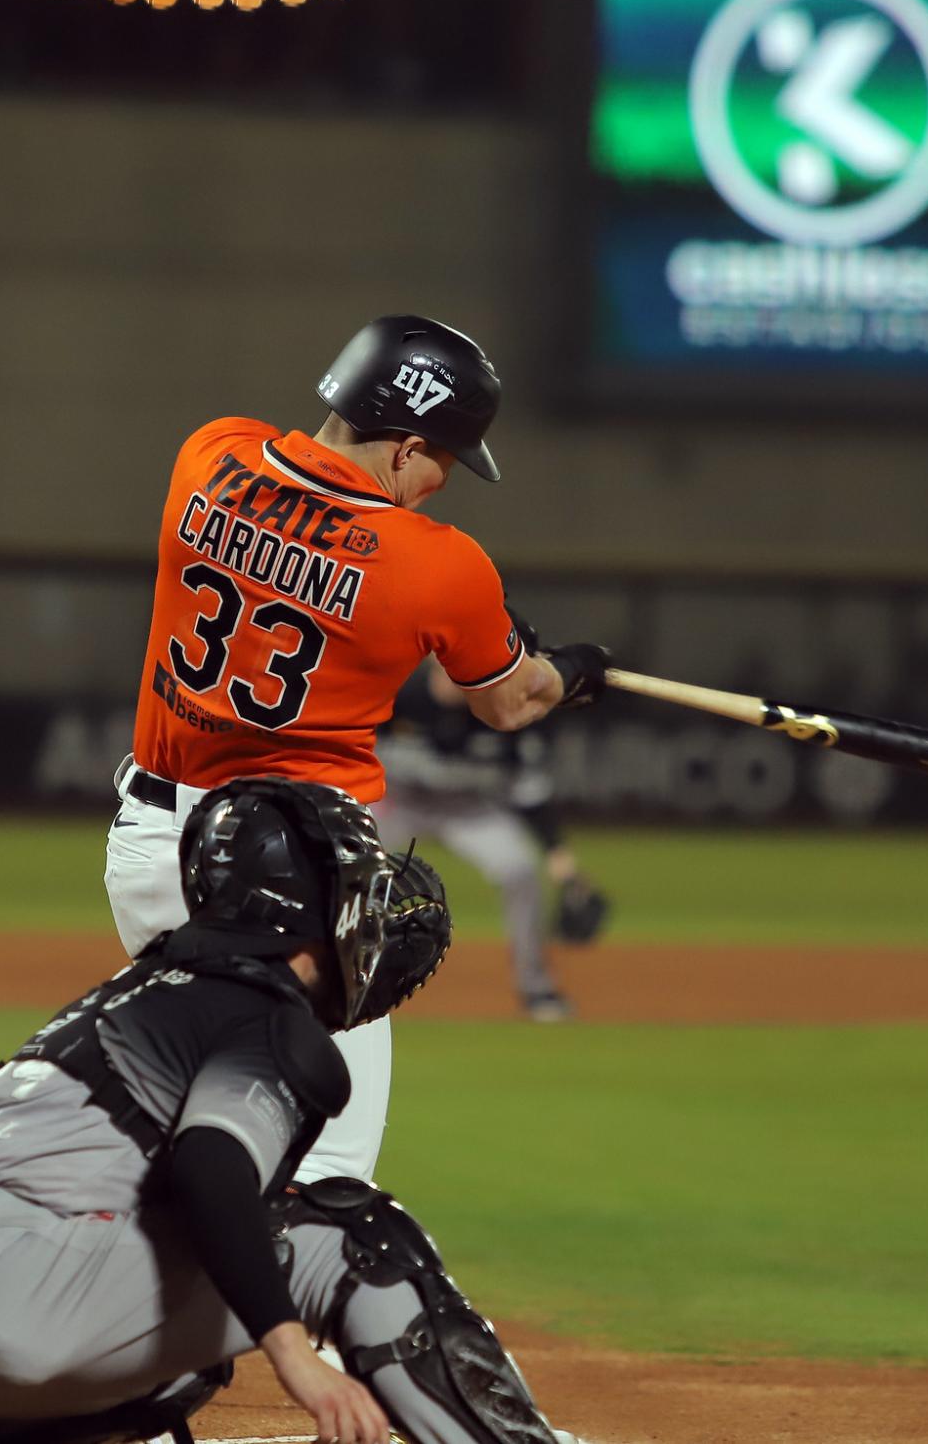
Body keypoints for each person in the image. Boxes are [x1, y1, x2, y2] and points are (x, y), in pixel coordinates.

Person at [0, 778, 581, 1444]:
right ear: (305, 908)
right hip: (10, 1303)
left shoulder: (146, 989)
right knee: (356, 1235)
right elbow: (211, 1169)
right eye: (349, 885)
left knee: (186, 1356)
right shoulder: (264, 1014)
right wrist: (294, 1354)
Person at [104, 314, 609, 1186]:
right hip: (295, 880)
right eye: (446, 461)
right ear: (409, 447)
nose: (443, 483)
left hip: (150, 851)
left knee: (179, 1129)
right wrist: (573, 669)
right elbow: (511, 701)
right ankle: (309, 1325)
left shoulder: (210, 453)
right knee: (326, 1167)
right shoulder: (441, 564)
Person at [376, 660, 609, 1021]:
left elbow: (532, 796)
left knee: (520, 871)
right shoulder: (399, 696)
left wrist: (562, 866)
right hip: (399, 801)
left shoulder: (503, 713)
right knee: (348, 860)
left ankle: (537, 987)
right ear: (436, 663)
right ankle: (336, 976)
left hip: (469, 810)